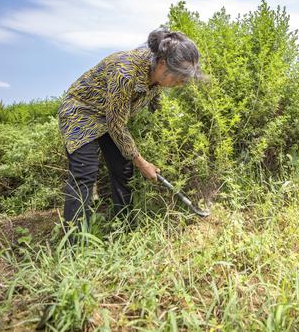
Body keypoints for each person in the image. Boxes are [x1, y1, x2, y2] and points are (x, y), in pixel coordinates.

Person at [57, 28, 202, 229]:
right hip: (82, 112)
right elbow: (115, 124)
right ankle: (73, 244)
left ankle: (125, 228)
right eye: (178, 79)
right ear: (162, 64)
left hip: (108, 114)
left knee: (123, 168)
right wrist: (142, 162)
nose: (178, 84)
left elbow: (152, 95)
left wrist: (161, 119)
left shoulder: (157, 72)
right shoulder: (125, 73)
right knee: (84, 174)